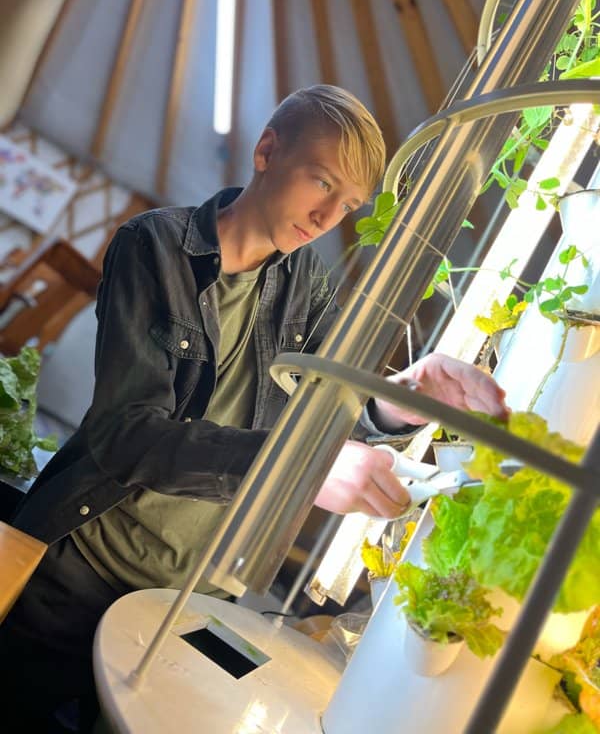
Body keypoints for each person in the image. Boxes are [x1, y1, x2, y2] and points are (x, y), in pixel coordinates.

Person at [0, 85, 508, 732]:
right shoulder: (155, 247)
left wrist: (399, 401)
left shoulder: (306, 285)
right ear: (267, 151)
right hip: (78, 571)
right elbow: (125, 436)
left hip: (186, 601)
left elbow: (337, 405)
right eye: (322, 182)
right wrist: (296, 466)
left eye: (349, 204)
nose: (329, 218)